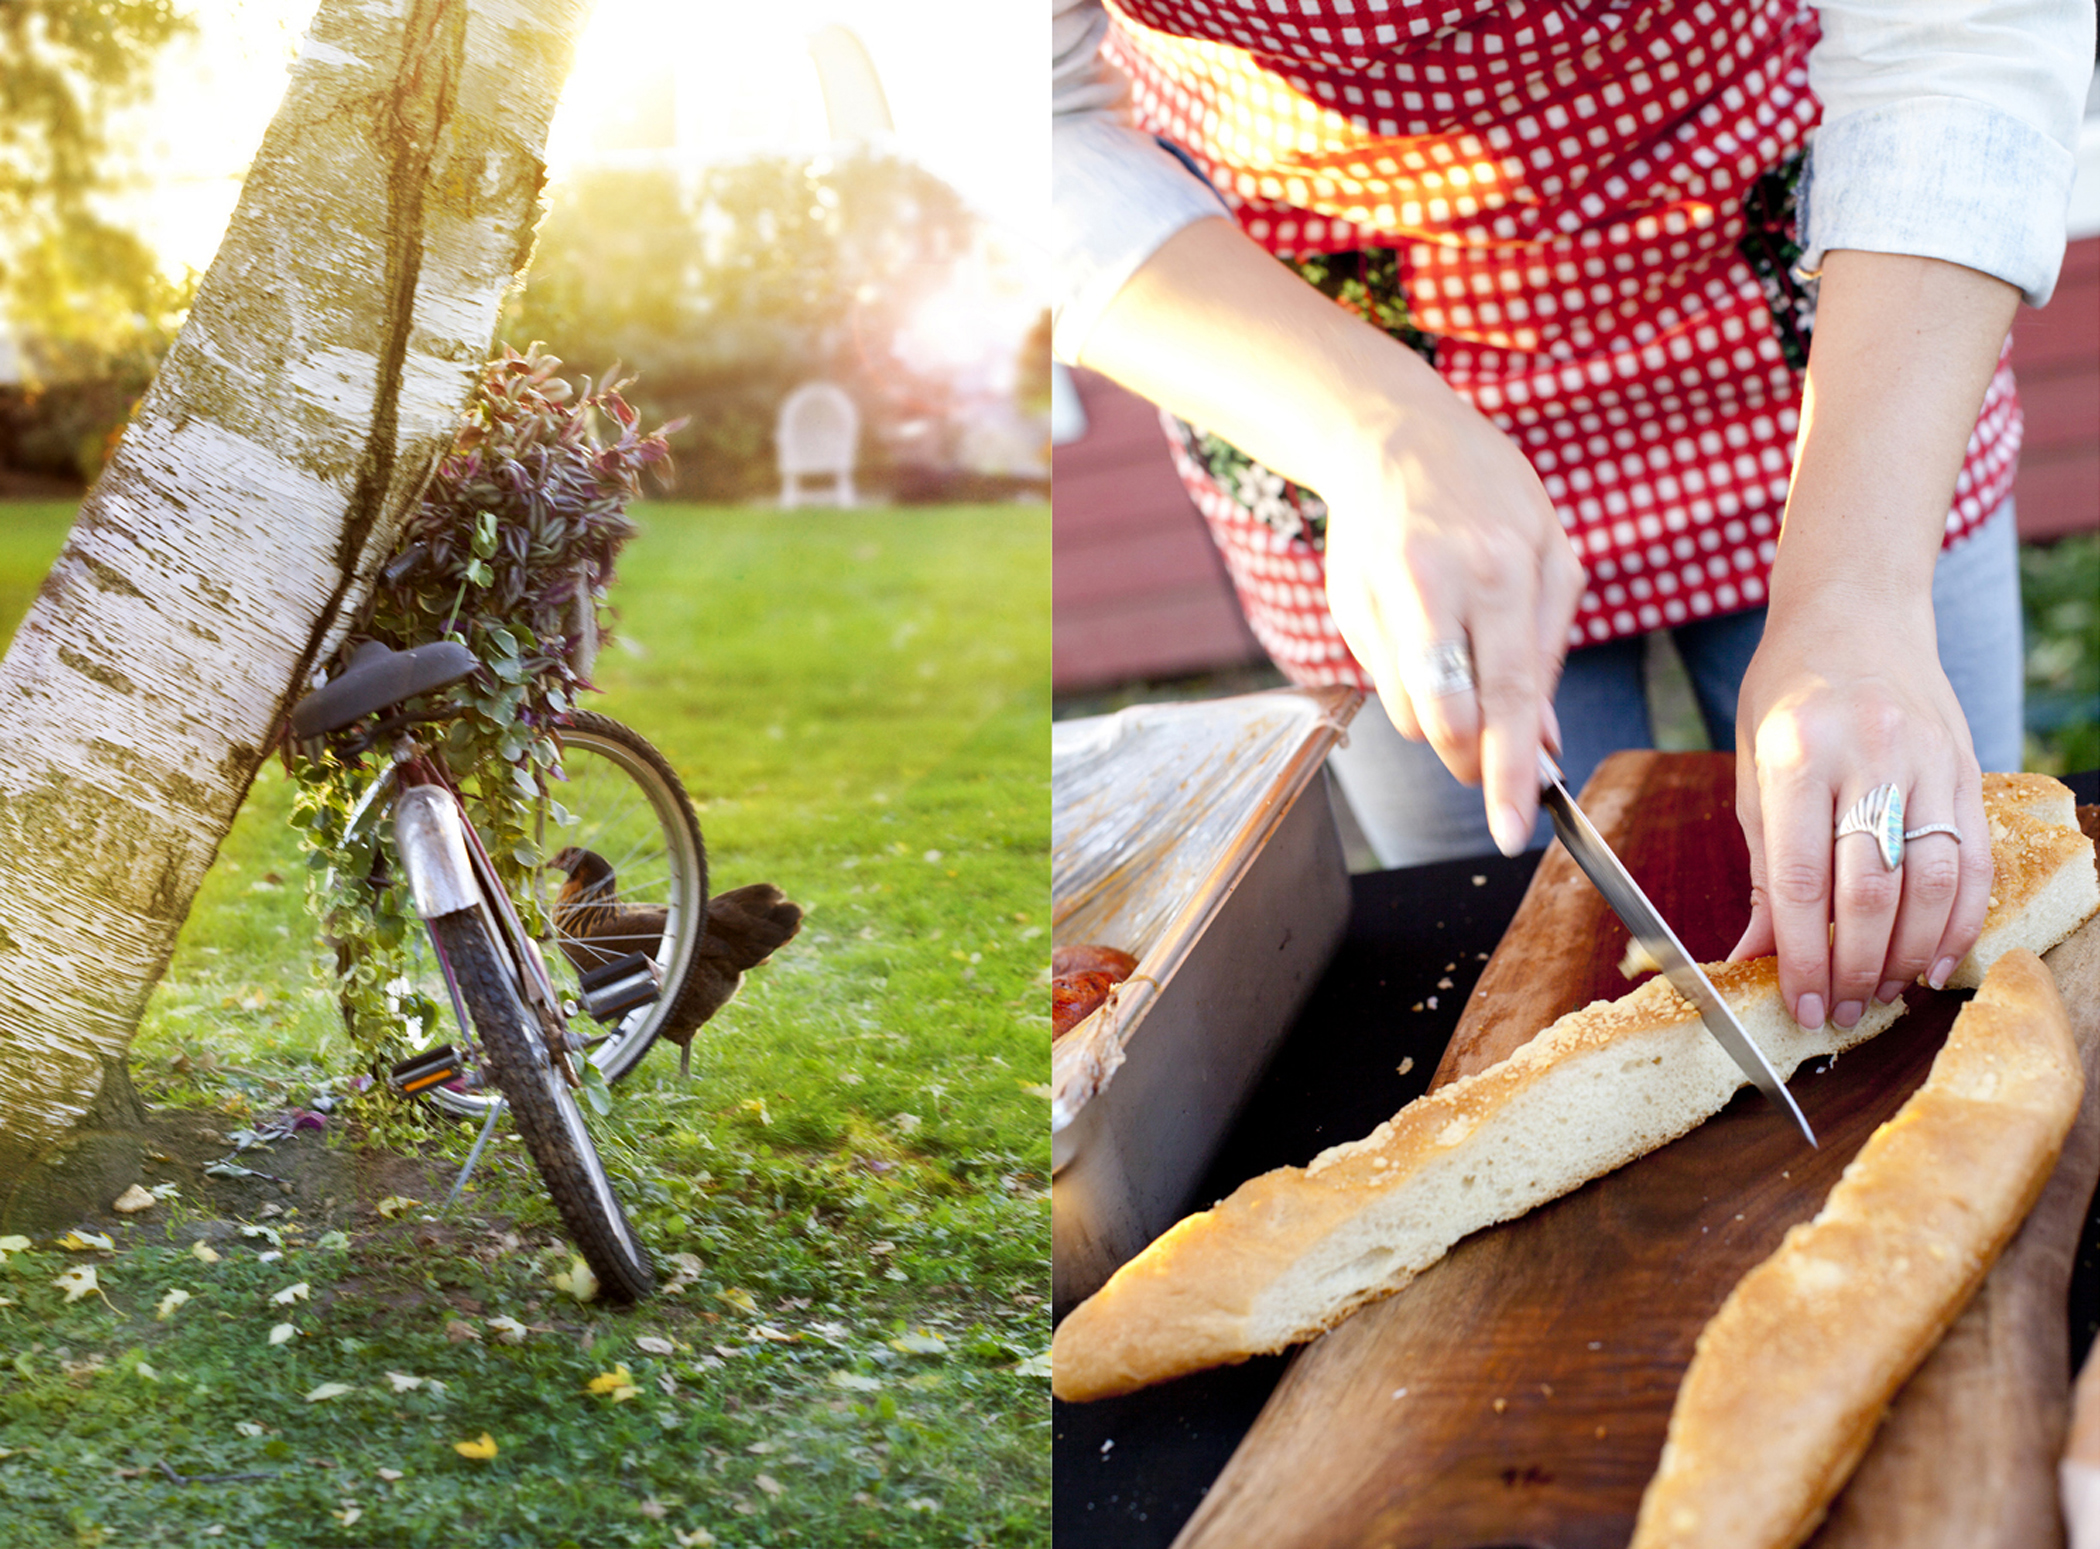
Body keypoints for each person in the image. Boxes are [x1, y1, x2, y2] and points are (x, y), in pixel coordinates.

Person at [1051, 0, 2092, 1039]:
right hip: (1314, 348)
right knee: (1527, 979)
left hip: (1830, 318)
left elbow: (1966, 30)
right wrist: (1372, 429)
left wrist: (1859, 588)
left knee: (1927, 926)